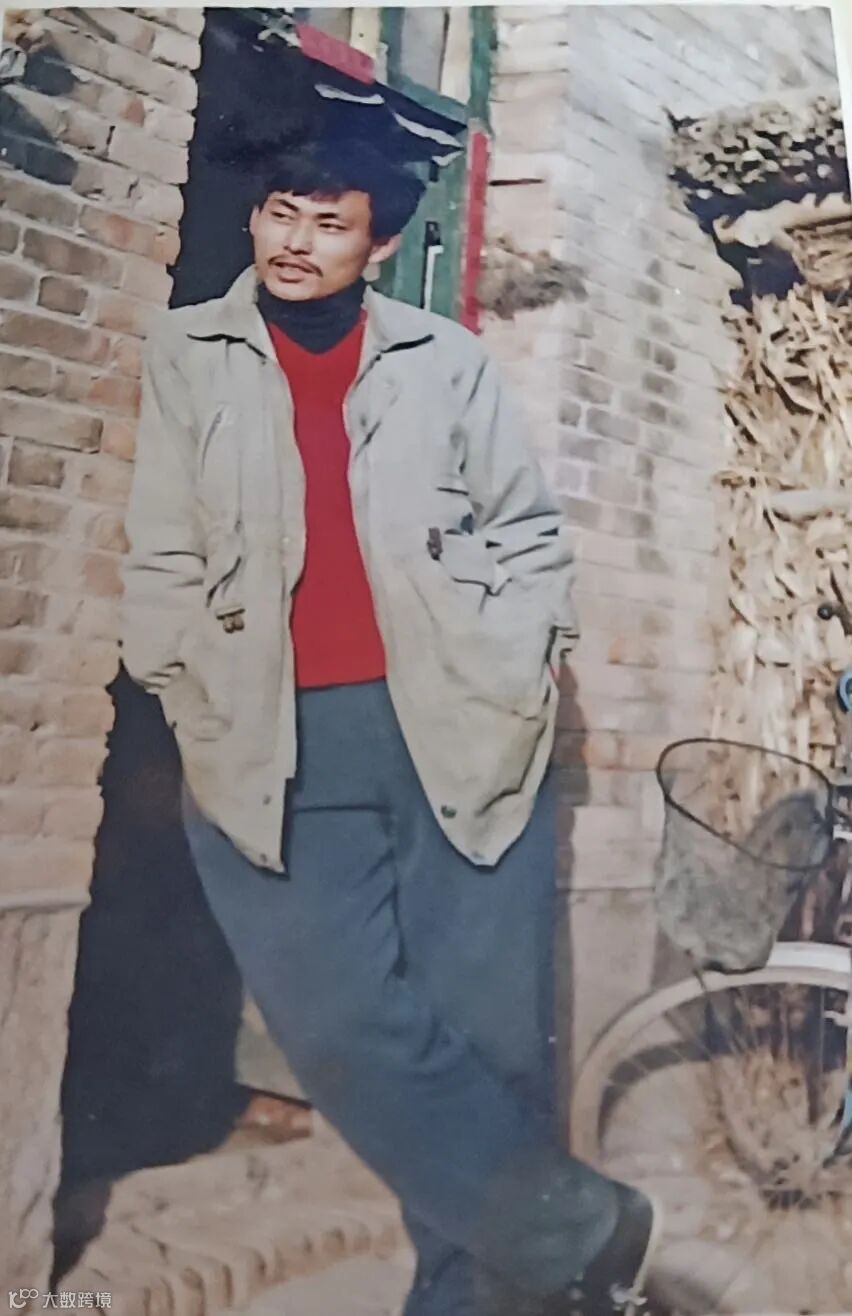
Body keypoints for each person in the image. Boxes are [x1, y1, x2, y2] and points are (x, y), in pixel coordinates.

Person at [120, 131, 660, 1315]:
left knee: (491, 1037)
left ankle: (479, 1301)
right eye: (281, 212)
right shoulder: (190, 352)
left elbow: (526, 532)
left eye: (330, 224)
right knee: (341, 1024)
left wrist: (519, 658)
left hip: (452, 724)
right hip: (268, 736)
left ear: (381, 242)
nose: (296, 243)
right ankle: (579, 1226)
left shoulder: (443, 360)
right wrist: (179, 677)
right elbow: (161, 544)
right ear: (253, 216)